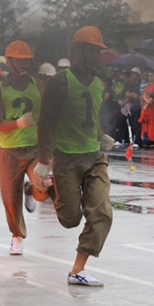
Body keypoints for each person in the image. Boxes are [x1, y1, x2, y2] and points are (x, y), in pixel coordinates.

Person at [35, 26, 114, 286]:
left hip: (94, 158)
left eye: (98, 51)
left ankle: (77, 270)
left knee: (101, 214)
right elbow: (44, 124)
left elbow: (90, 118)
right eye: (91, 50)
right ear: (77, 51)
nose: (95, 56)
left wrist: (102, 135)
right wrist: (44, 161)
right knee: (70, 220)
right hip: (66, 160)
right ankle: (46, 188)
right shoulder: (59, 82)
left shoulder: (98, 83)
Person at [0, 40, 47, 255]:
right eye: (19, 60)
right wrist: (17, 123)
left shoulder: (39, 85)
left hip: (35, 148)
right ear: (9, 61)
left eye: (27, 60)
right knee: (10, 199)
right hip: (10, 150)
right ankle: (16, 236)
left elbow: (48, 115)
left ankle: (31, 189)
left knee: (46, 185)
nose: (24, 64)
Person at [139, 70, 154, 148]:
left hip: (152, 106)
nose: (150, 77)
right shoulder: (147, 85)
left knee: (152, 123)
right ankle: (146, 139)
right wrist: (145, 101)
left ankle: (152, 140)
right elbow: (144, 94)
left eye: (151, 76)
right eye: (149, 76)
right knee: (145, 123)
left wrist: (147, 103)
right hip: (146, 106)